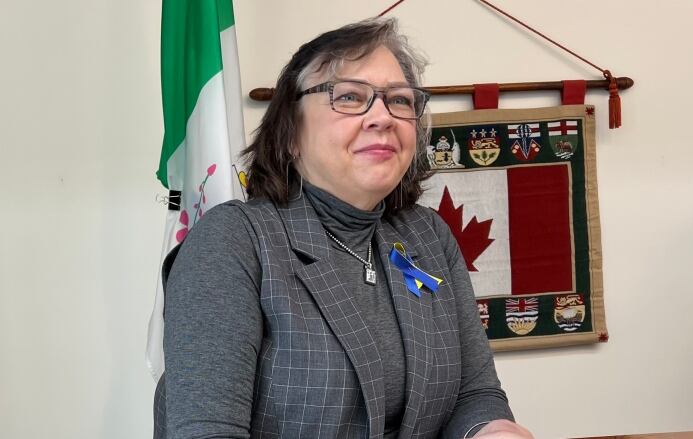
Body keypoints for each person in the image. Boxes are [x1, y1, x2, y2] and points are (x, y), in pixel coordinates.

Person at [153, 18, 534, 439]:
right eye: (350, 96)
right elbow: (207, 431)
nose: (382, 117)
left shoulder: (428, 235)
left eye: (400, 101)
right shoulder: (233, 241)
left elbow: (473, 393)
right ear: (290, 133)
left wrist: (493, 431)